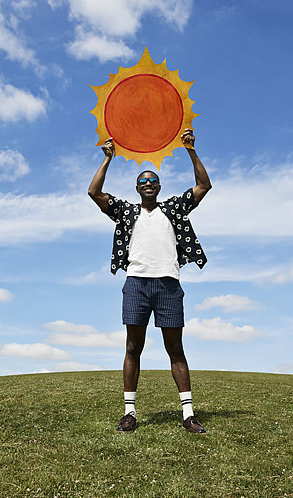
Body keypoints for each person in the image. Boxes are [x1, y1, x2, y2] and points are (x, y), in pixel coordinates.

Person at [88, 128, 212, 433]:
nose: (147, 185)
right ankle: (129, 412)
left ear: (159, 186)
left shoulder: (172, 208)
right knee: (133, 347)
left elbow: (204, 185)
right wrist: (107, 160)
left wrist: (190, 150)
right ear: (136, 187)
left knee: (176, 349)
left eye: (152, 181)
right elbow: (94, 193)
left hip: (168, 284)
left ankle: (188, 414)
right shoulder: (126, 213)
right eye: (142, 182)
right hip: (137, 284)